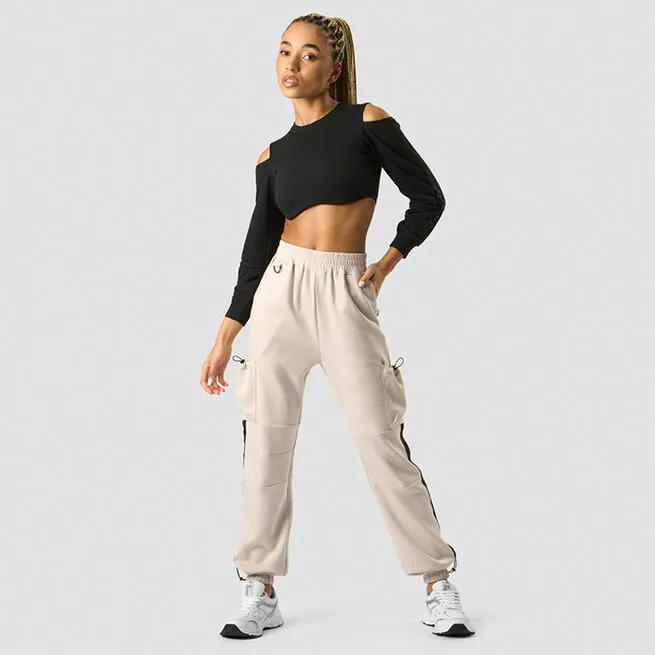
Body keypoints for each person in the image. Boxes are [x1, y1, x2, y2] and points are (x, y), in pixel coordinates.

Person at [201, 13, 475, 640]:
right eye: (284, 52)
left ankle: (437, 581)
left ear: (334, 67)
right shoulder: (272, 156)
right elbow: (255, 250)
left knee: (381, 438)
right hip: (280, 295)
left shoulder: (366, 122)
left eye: (308, 54)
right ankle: (259, 587)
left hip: (346, 289)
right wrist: (225, 336)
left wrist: (388, 262)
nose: (292, 65)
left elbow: (428, 197)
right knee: (265, 442)